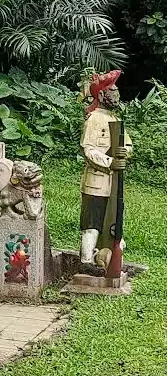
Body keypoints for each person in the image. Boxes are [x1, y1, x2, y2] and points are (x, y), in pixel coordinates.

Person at [80, 70, 132, 268]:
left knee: (114, 221)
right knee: (93, 221)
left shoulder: (115, 119)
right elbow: (89, 149)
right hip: (96, 181)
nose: (117, 94)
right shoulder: (93, 119)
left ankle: (111, 258)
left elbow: (128, 145)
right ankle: (86, 260)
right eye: (113, 90)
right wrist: (110, 162)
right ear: (101, 95)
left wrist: (124, 153)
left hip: (114, 184)